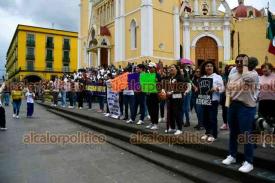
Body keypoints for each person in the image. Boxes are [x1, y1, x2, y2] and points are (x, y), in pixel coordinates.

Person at [222, 54, 259, 173]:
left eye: (242, 61)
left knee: (246, 133)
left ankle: (249, 161)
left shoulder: (253, 74)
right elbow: (228, 90)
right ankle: (232, 155)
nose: (238, 63)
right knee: (233, 132)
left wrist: (245, 66)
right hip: (233, 106)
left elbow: (247, 78)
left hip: (246, 107)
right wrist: (227, 105)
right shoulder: (232, 75)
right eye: (237, 61)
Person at [200, 61, 224, 142]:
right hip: (204, 100)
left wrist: (216, 89)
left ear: (213, 68)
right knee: (205, 118)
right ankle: (207, 132)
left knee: (212, 118)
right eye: (207, 66)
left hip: (213, 100)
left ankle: (214, 134)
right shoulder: (202, 77)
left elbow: (222, 89)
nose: (209, 67)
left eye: (210, 66)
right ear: (204, 68)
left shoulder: (218, 77)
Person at [165, 64, 187, 135]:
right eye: (170, 67)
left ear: (176, 69)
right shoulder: (169, 77)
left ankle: (179, 129)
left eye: (173, 67)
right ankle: (173, 127)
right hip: (170, 97)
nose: (171, 69)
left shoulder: (180, 77)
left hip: (178, 97)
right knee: (171, 112)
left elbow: (182, 87)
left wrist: (171, 92)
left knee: (177, 113)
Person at [145, 62, 161, 130]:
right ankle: (152, 122)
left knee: (155, 110)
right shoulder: (148, 75)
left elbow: (159, 85)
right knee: (150, 109)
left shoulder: (157, 75)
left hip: (155, 95)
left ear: (154, 68)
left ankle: (156, 124)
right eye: (149, 67)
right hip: (148, 94)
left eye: (151, 67)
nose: (149, 69)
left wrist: (155, 82)